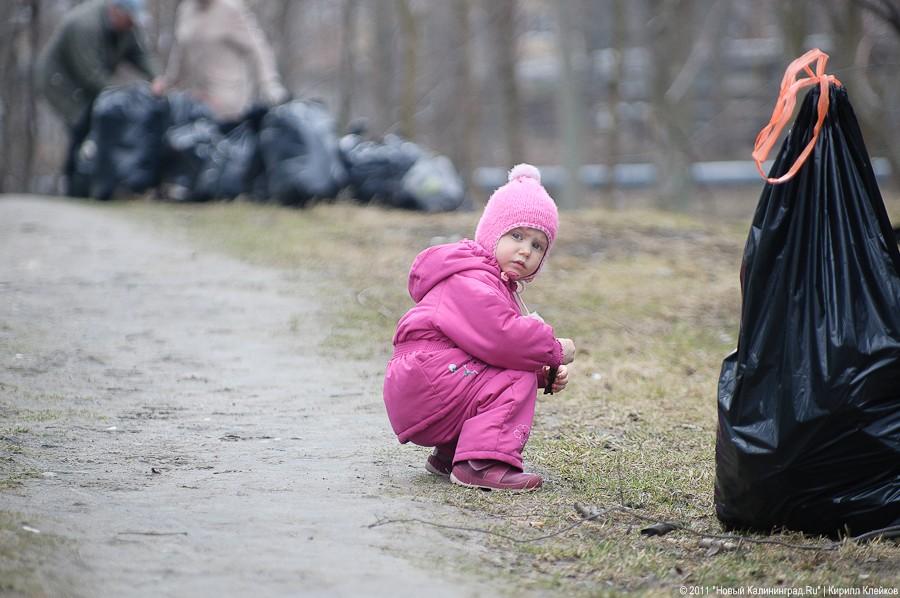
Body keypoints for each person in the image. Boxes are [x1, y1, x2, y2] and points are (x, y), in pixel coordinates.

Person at [383, 164, 577, 491]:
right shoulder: (473, 281)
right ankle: (481, 463)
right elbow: (505, 340)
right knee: (515, 374)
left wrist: (541, 374)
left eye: (537, 245)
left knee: (516, 371)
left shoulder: (488, 282)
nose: (525, 250)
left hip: (429, 382)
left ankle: (450, 455)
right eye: (516, 236)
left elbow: (487, 351)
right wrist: (555, 350)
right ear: (492, 232)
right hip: (428, 384)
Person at [35, 0, 157, 195]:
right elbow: (90, 75)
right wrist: (124, 96)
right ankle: (75, 184)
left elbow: (139, 55)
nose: (132, 25)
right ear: (117, 11)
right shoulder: (84, 26)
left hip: (90, 81)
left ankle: (98, 181)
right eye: (130, 19)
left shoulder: (126, 28)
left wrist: (156, 78)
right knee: (80, 124)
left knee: (102, 119)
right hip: (61, 83)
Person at [151, 0, 289, 121]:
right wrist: (168, 81)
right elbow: (179, 52)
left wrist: (270, 84)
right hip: (194, 100)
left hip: (226, 105)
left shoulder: (230, 9)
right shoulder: (185, 9)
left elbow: (258, 48)